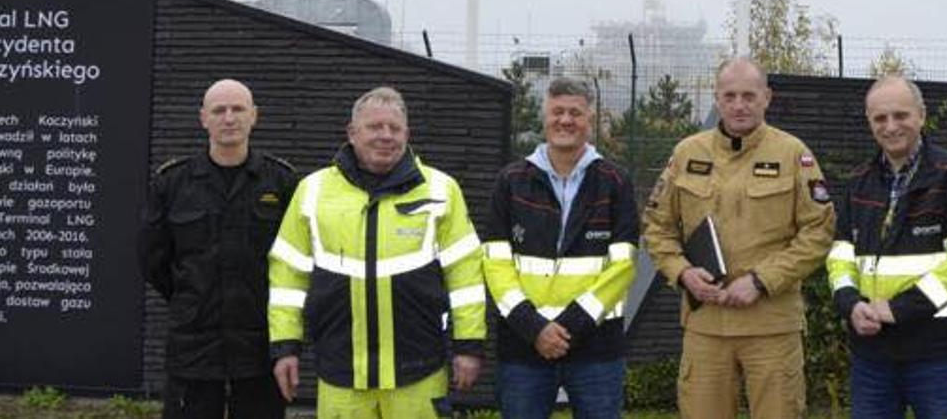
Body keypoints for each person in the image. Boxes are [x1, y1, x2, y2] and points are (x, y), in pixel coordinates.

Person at [266, 86, 487, 418]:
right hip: (342, 370)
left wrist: (469, 347)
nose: (386, 136)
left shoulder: (442, 189)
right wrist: (285, 347)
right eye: (374, 127)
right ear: (352, 133)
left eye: (394, 128)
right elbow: (287, 276)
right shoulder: (312, 190)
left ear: (407, 134)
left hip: (419, 370)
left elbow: (466, 275)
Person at [641, 57, 835, 419]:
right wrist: (682, 273)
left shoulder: (794, 154)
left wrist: (762, 281)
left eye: (749, 95)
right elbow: (657, 226)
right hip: (706, 326)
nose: (739, 104)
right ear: (717, 98)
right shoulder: (686, 154)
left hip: (772, 325)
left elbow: (818, 231)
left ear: (767, 97)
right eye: (729, 96)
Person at [826, 75, 947, 419]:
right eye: (880, 118)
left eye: (901, 115)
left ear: (922, 115)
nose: (891, 126)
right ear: (869, 122)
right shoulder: (857, 182)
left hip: (937, 355)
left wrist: (897, 309)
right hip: (871, 356)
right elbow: (840, 259)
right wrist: (851, 305)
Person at [481, 78, 639, 419]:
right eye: (557, 111)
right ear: (545, 116)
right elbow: (495, 265)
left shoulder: (615, 183)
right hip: (524, 346)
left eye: (575, 113)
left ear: (589, 120)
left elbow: (623, 266)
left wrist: (568, 327)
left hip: (596, 347)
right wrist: (534, 328)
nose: (565, 120)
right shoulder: (510, 182)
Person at [142, 79, 299, 419]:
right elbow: (153, 260)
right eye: (219, 110)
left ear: (254, 116)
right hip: (194, 344)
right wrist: (193, 297)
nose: (229, 118)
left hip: (259, 342)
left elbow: (297, 259)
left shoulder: (282, 182)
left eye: (238, 109)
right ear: (203, 118)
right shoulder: (172, 183)